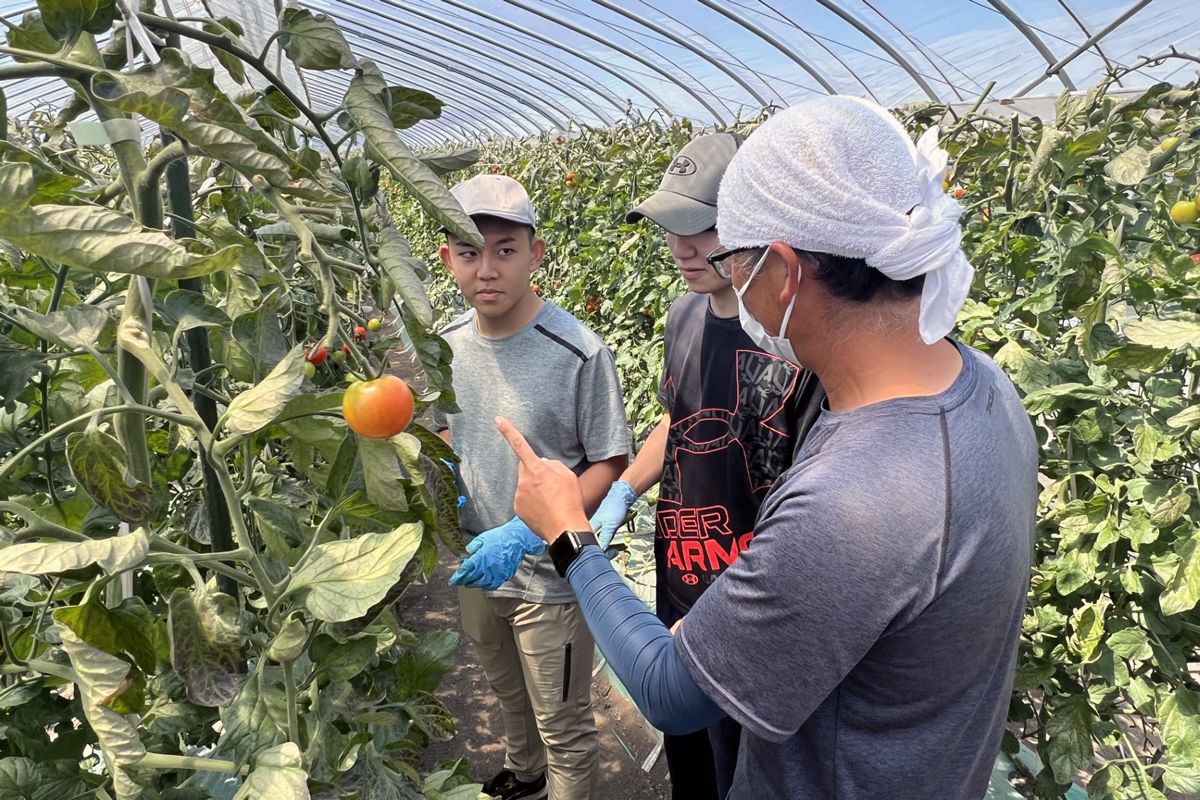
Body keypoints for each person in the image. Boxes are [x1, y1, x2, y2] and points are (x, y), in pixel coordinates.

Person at [492, 97, 1039, 799]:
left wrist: (569, 535)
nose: (718, 272)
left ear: (783, 269)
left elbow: (669, 691)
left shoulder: (857, 506)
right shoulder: (983, 387)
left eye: (737, 261)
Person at [588, 132, 823, 800]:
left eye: (702, 228)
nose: (683, 249)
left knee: (747, 774)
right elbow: (679, 417)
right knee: (692, 767)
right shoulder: (682, 317)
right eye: (670, 229)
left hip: (751, 613)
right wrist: (624, 493)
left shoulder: (793, 346)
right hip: (681, 585)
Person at [435, 174, 630, 800]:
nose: (485, 269)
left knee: (564, 724)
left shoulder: (577, 351)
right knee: (505, 693)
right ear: (447, 258)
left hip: (551, 577)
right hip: (478, 570)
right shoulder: (445, 348)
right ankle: (525, 776)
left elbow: (610, 461)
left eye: (505, 250)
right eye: (468, 252)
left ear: (535, 252)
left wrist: (529, 530)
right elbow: (445, 435)